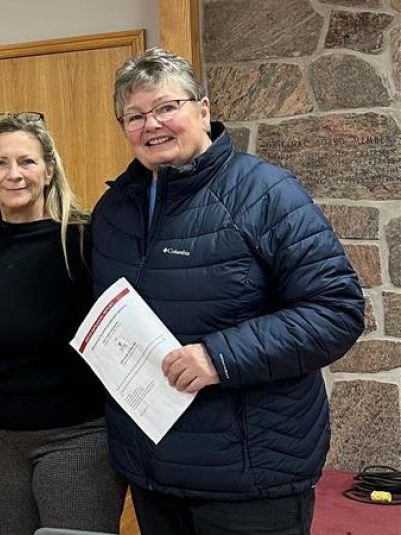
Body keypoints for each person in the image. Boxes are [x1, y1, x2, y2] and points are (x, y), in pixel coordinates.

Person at [91, 47, 365, 535]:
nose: (151, 124)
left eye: (166, 107)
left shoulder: (267, 193)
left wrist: (219, 357)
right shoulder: (113, 209)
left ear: (204, 109)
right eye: (135, 116)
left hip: (251, 474)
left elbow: (336, 311)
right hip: (152, 470)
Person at [0, 112, 126, 534]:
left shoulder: (86, 242)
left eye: (27, 162)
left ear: (49, 171)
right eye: (0, 163)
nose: (14, 174)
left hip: (77, 435)